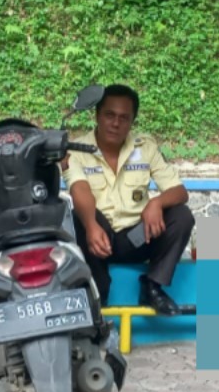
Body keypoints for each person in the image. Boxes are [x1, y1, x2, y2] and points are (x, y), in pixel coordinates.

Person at [64, 84, 193, 316]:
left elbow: (179, 191)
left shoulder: (145, 148)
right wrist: (91, 225)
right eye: (109, 115)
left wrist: (156, 203)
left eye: (124, 118)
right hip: (98, 238)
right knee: (79, 217)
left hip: (137, 238)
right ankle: (97, 293)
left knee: (181, 215)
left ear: (132, 121)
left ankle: (152, 286)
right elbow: (78, 188)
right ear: (97, 116)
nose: (115, 123)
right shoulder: (77, 150)